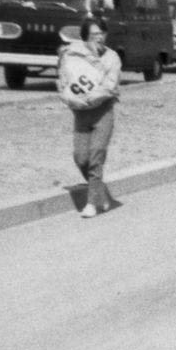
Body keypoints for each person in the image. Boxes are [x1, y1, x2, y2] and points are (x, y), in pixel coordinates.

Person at [57, 19, 122, 218]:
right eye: (94, 35)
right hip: (81, 113)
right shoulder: (72, 55)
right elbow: (63, 82)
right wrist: (72, 99)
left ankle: (92, 203)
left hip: (103, 112)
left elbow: (110, 85)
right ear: (85, 38)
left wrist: (92, 97)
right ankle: (101, 194)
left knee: (96, 156)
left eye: (102, 33)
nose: (99, 38)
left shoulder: (112, 57)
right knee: (81, 157)